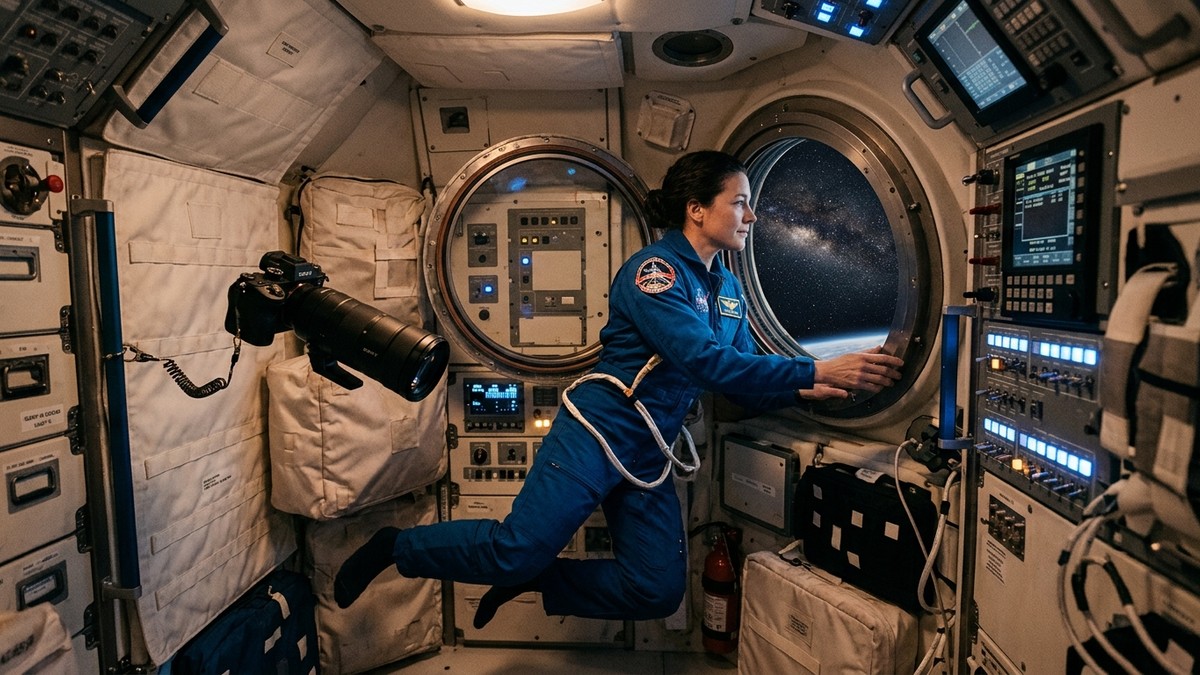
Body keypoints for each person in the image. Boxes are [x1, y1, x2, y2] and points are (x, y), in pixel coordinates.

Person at [333, 150, 904, 626]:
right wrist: (816, 369)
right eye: (740, 201)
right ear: (697, 209)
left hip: (648, 448)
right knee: (514, 549)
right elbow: (707, 364)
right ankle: (397, 548)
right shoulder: (654, 272)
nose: (751, 215)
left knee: (657, 591)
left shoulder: (728, 287)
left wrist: (805, 392)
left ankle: (544, 580)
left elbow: (743, 380)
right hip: (599, 431)